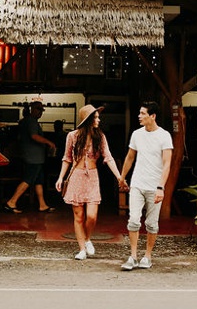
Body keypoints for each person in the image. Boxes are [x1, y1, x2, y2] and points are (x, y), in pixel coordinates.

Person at [56, 104, 127, 260]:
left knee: (92, 216)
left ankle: (87, 239)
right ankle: (82, 248)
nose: (98, 120)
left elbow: (108, 157)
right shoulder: (72, 136)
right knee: (78, 216)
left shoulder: (100, 137)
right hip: (76, 176)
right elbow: (67, 159)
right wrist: (61, 177)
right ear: (88, 120)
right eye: (95, 117)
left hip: (92, 177)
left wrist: (119, 177)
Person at [118, 102, 174, 271]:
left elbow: (167, 164)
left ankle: (147, 255)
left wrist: (161, 187)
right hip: (137, 184)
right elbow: (129, 157)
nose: (139, 116)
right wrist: (122, 177)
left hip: (154, 186)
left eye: (143, 113)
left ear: (153, 116)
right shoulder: (136, 134)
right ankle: (133, 256)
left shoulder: (164, 136)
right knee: (133, 220)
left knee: (151, 224)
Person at [3, 99, 57, 213]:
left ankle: (42, 205)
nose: (40, 112)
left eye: (42, 110)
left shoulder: (25, 121)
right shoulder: (31, 121)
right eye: (38, 109)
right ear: (31, 109)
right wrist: (49, 142)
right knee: (28, 180)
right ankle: (11, 202)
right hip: (33, 157)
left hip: (34, 157)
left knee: (38, 181)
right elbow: (34, 136)